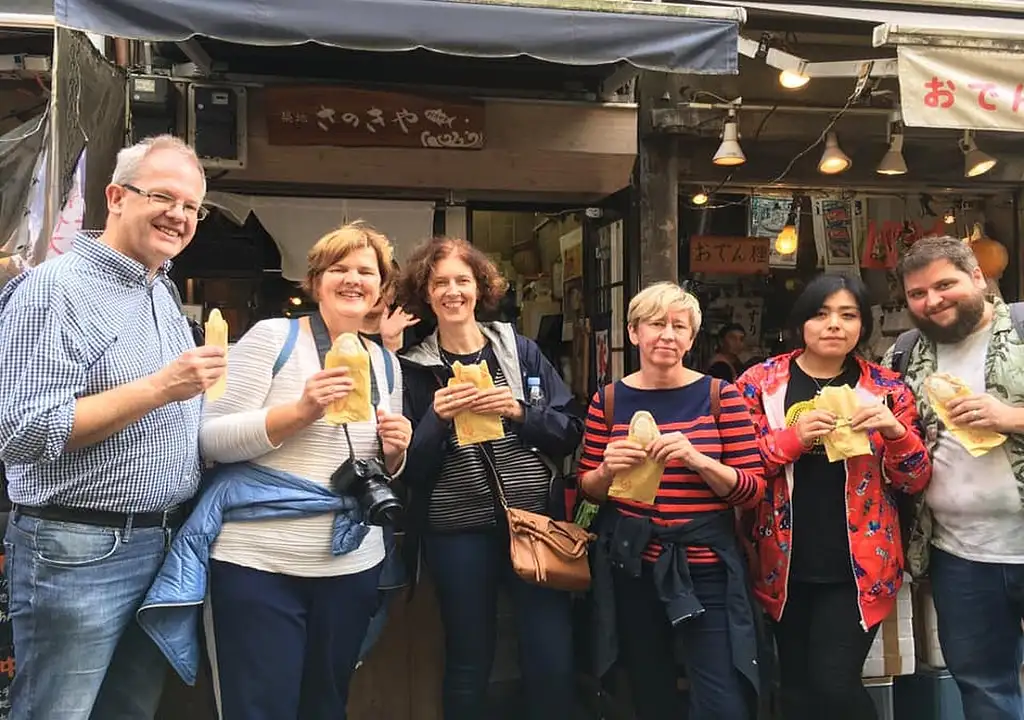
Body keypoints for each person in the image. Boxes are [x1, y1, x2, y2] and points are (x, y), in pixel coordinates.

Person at [0, 135, 225, 719]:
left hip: (162, 542)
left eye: (192, 207)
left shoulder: (161, 290)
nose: (179, 216)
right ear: (115, 197)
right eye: (164, 197)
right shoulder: (54, 290)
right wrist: (160, 388)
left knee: (129, 711)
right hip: (77, 547)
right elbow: (23, 431)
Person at [399, 236, 582, 720]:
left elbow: (568, 432)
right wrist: (436, 420)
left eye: (463, 280)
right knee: (468, 654)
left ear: (481, 288)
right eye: (440, 283)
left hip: (532, 520)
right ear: (427, 292)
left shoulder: (518, 352)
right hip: (456, 529)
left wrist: (520, 411)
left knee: (550, 651)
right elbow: (408, 470)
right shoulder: (413, 369)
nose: (452, 291)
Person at [736, 274, 931, 720]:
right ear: (801, 322)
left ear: (862, 325)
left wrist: (895, 432)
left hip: (860, 567)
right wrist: (791, 439)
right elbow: (739, 471)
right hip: (781, 564)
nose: (833, 325)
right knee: (798, 689)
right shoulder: (759, 384)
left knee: (834, 682)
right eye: (821, 314)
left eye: (848, 315)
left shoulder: (887, 389)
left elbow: (914, 480)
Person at [578, 282, 765, 720]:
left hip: (706, 568)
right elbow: (587, 488)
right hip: (634, 563)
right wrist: (607, 469)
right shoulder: (607, 401)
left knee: (721, 697)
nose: (667, 335)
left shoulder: (722, 396)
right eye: (656, 324)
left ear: (692, 338)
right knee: (649, 689)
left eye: (679, 326)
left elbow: (753, 488)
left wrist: (699, 460)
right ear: (633, 332)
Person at [884, 235, 1024, 719]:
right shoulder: (904, 353)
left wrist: (1012, 418)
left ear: (979, 278)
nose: (933, 300)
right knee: (984, 688)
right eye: (918, 294)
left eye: (945, 284)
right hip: (959, 555)